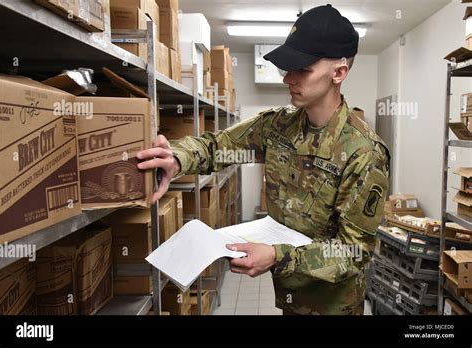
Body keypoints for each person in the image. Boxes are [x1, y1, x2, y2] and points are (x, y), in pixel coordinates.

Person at [136, 4, 390, 315]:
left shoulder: (364, 152)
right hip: (290, 298)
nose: (288, 80)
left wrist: (277, 256)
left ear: (339, 73)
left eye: (303, 69)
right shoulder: (278, 124)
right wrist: (176, 158)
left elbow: (353, 253)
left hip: (332, 307)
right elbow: (219, 145)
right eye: (287, 69)